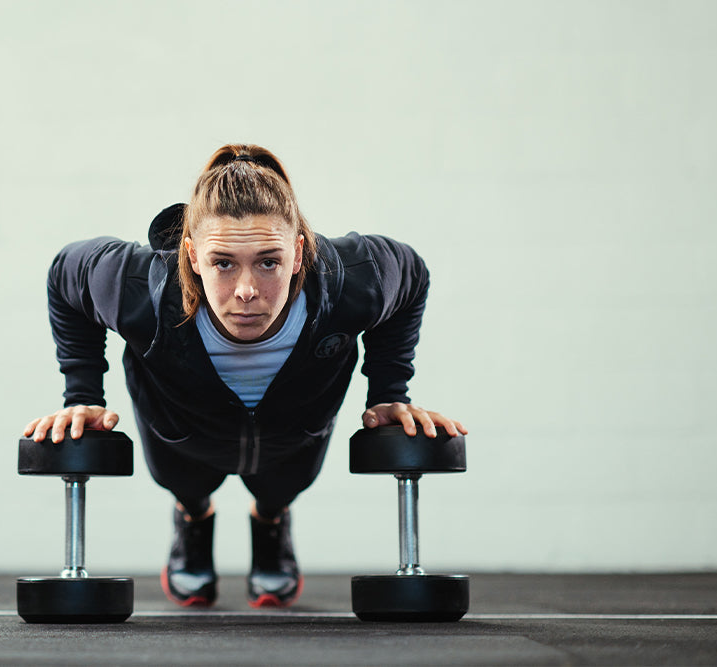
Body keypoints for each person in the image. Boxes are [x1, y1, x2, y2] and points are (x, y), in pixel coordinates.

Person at [23, 144, 467, 608]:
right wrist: (82, 394)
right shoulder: (139, 286)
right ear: (192, 255)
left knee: (280, 488)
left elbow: (412, 274)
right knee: (187, 486)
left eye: (268, 261)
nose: (248, 290)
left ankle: (271, 524)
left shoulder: (352, 279)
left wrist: (388, 391)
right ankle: (192, 520)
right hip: (180, 430)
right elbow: (64, 275)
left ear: (297, 254)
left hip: (295, 430)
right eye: (224, 263)